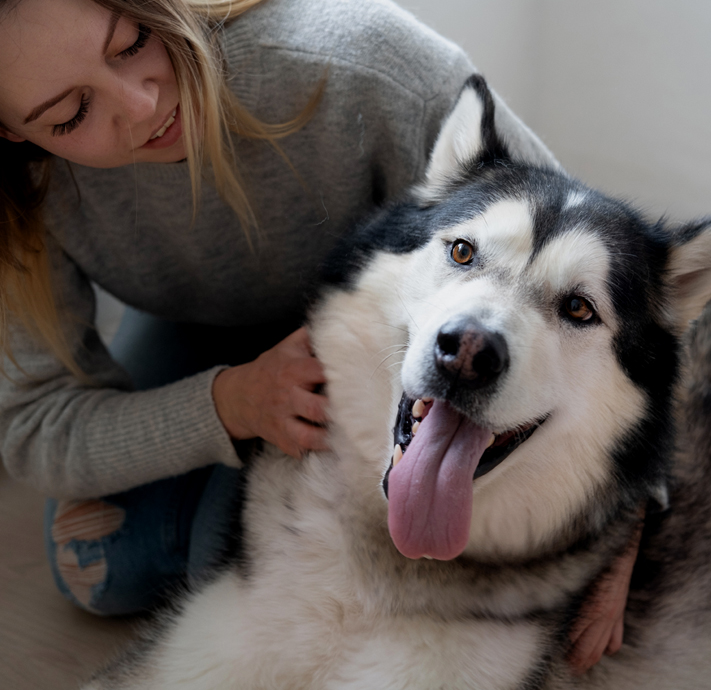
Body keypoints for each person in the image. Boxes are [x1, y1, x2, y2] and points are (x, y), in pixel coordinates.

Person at [0, 0, 635, 673]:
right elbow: (35, 426)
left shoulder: (367, 65)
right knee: (98, 566)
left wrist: (625, 519)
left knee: (226, 556)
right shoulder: (23, 200)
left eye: (131, 43)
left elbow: (606, 291)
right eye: (70, 114)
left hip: (377, 335)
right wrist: (228, 403)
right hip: (201, 328)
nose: (140, 102)